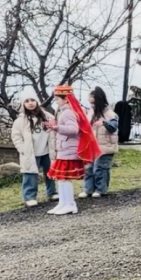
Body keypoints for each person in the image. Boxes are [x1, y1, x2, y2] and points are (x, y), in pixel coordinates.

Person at [46, 84, 102, 215]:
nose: (57, 102)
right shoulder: (66, 111)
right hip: (64, 150)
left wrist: (56, 128)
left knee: (65, 178)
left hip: (68, 150)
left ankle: (70, 204)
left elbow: (73, 130)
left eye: (58, 99)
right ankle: (63, 203)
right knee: (61, 178)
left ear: (66, 99)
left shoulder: (68, 113)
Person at [11, 86, 57, 207]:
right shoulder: (20, 121)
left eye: (32, 100)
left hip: (47, 150)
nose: (30, 103)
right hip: (31, 153)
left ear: (37, 101)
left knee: (50, 173)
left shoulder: (48, 117)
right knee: (30, 174)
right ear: (23, 104)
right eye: (27, 101)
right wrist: (22, 149)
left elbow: (54, 132)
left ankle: (52, 192)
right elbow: (16, 137)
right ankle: (29, 197)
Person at [81, 86, 118, 199]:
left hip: (105, 146)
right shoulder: (90, 113)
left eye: (93, 103)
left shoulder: (110, 114)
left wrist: (104, 123)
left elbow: (113, 127)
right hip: (91, 146)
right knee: (89, 168)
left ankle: (101, 189)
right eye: (90, 103)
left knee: (100, 168)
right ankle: (88, 189)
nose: (92, 105)